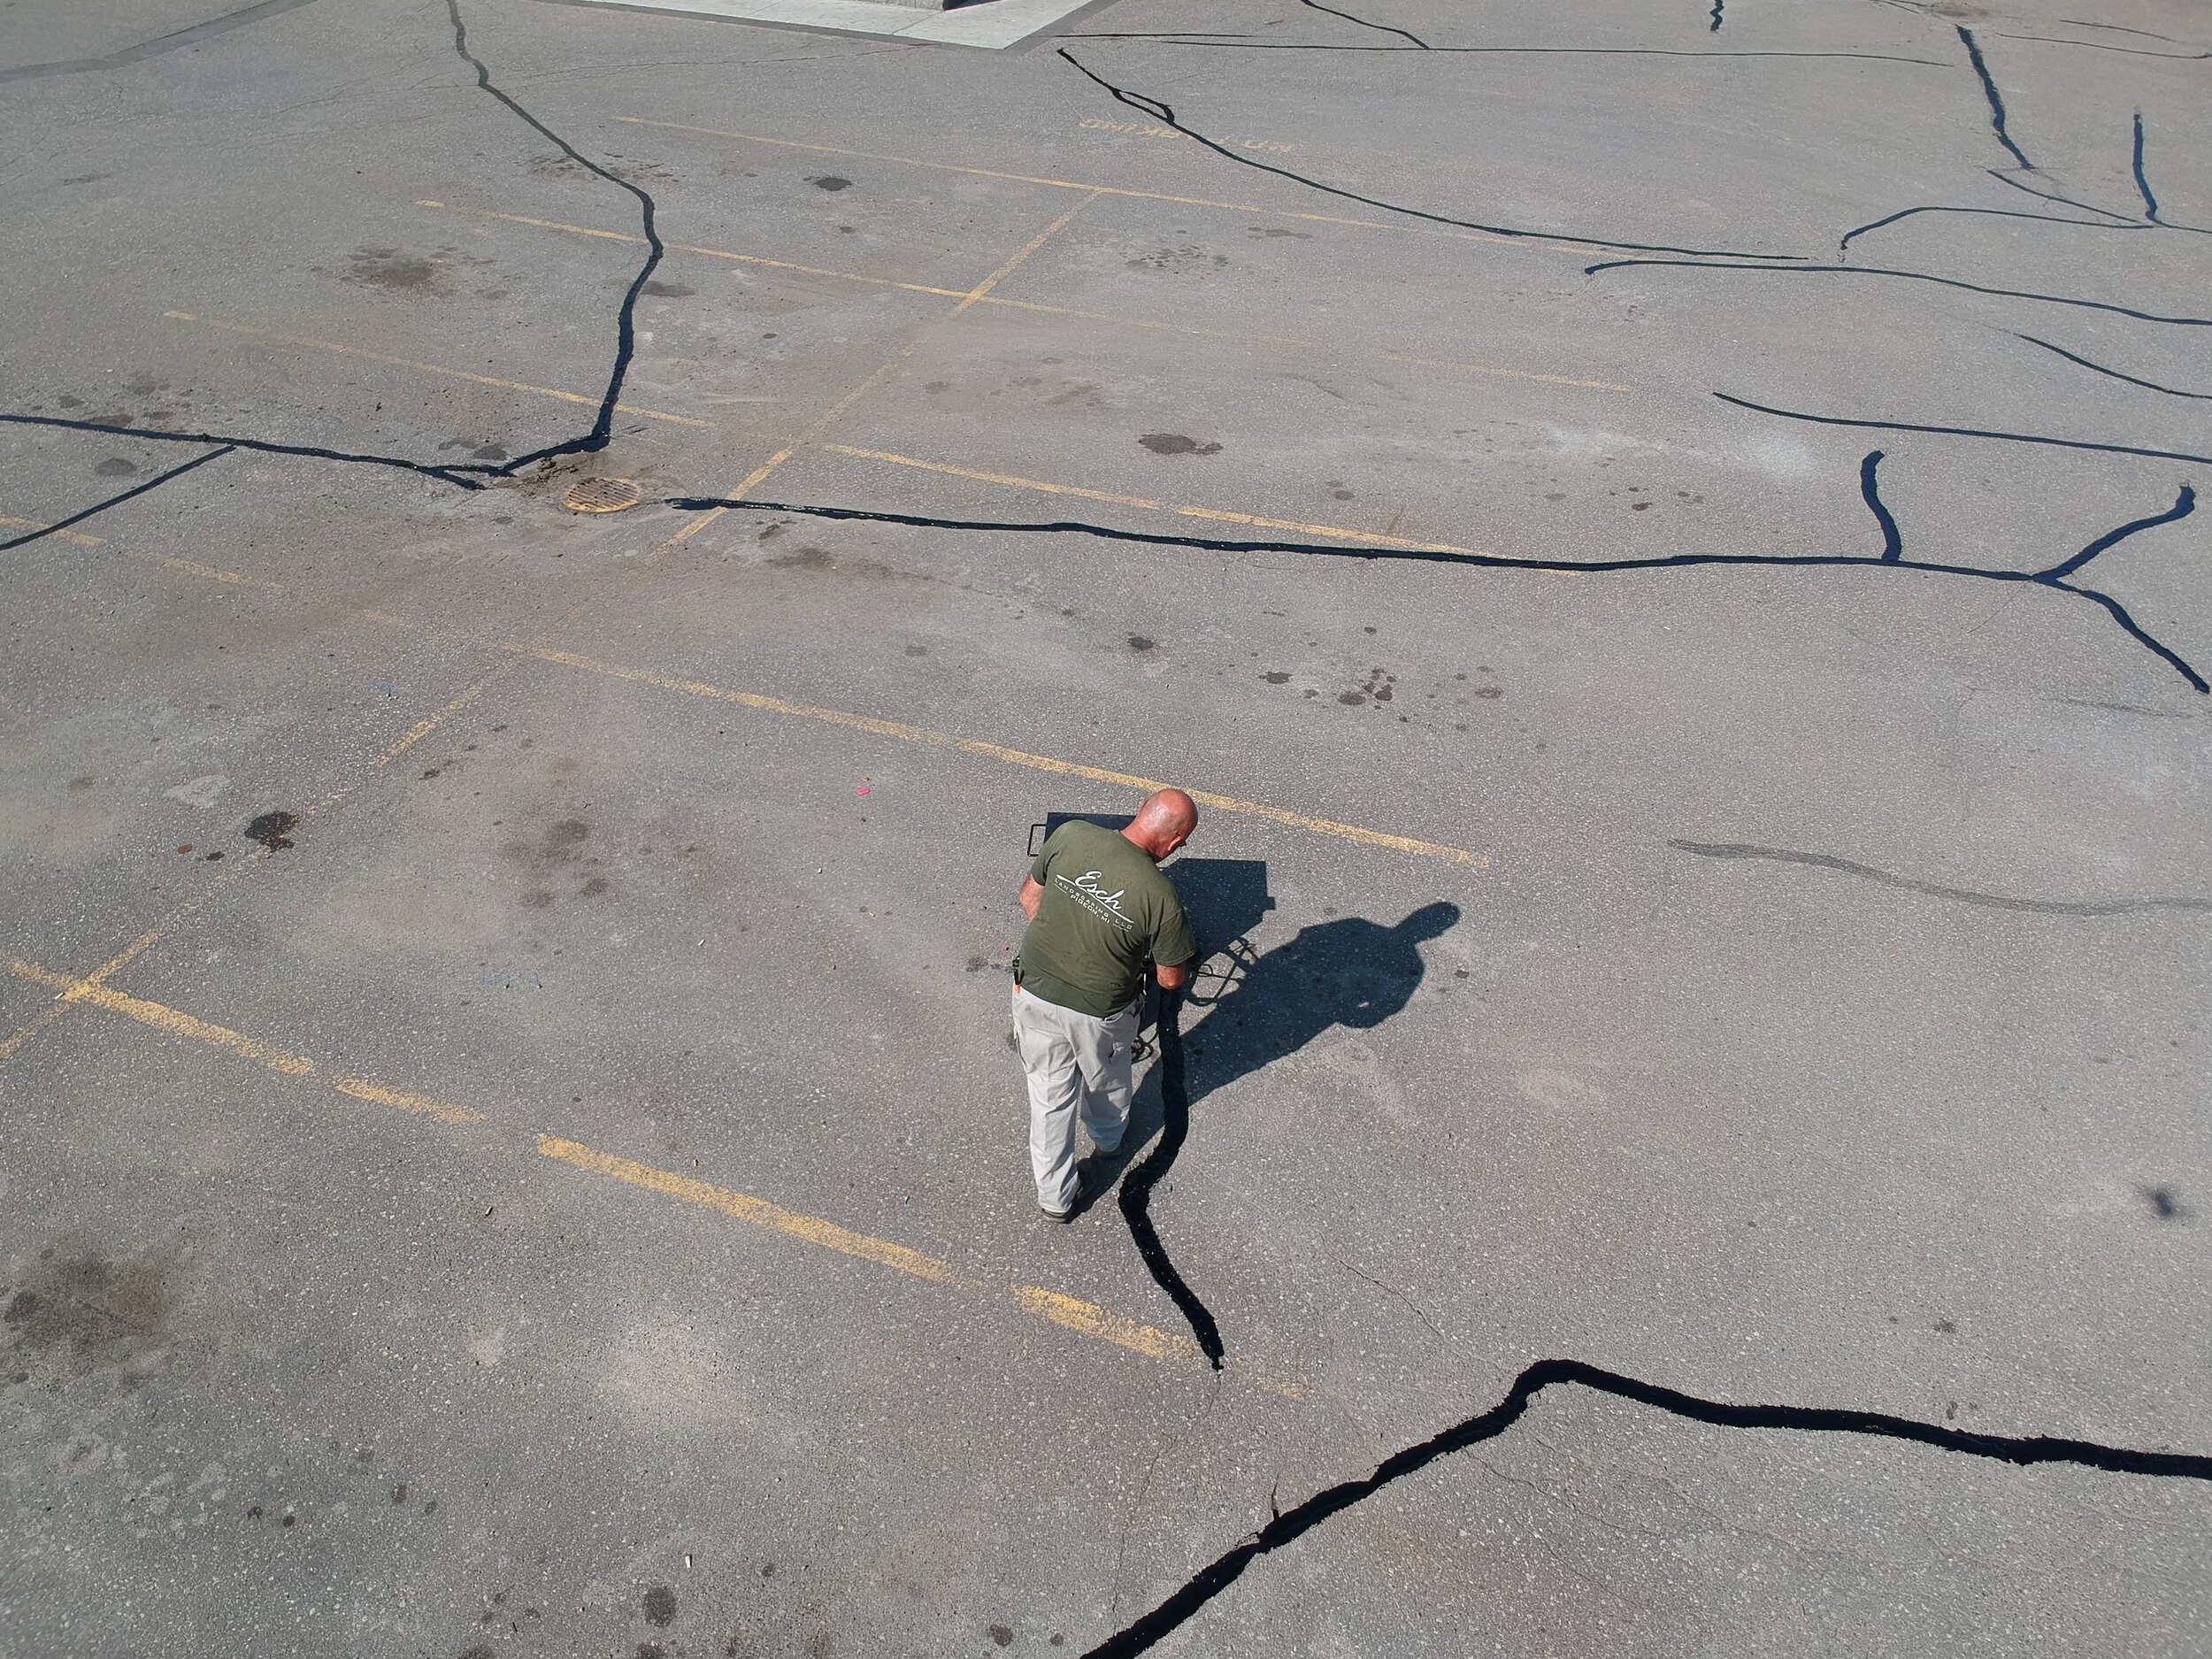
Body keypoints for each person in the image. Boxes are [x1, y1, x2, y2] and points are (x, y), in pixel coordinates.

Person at [1011, 789, 1199, 1221]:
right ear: (1173, 844)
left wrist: (1070, 942)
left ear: (1140, 814)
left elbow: (1028, 898)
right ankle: (1110, 1141)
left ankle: (1055, 1199)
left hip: (1033, 991)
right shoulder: (1161, 896)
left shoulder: (1071, 835)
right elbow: (1171, 977)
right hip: (1101, 1012)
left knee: (1048, 1096)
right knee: (1107, 1077)